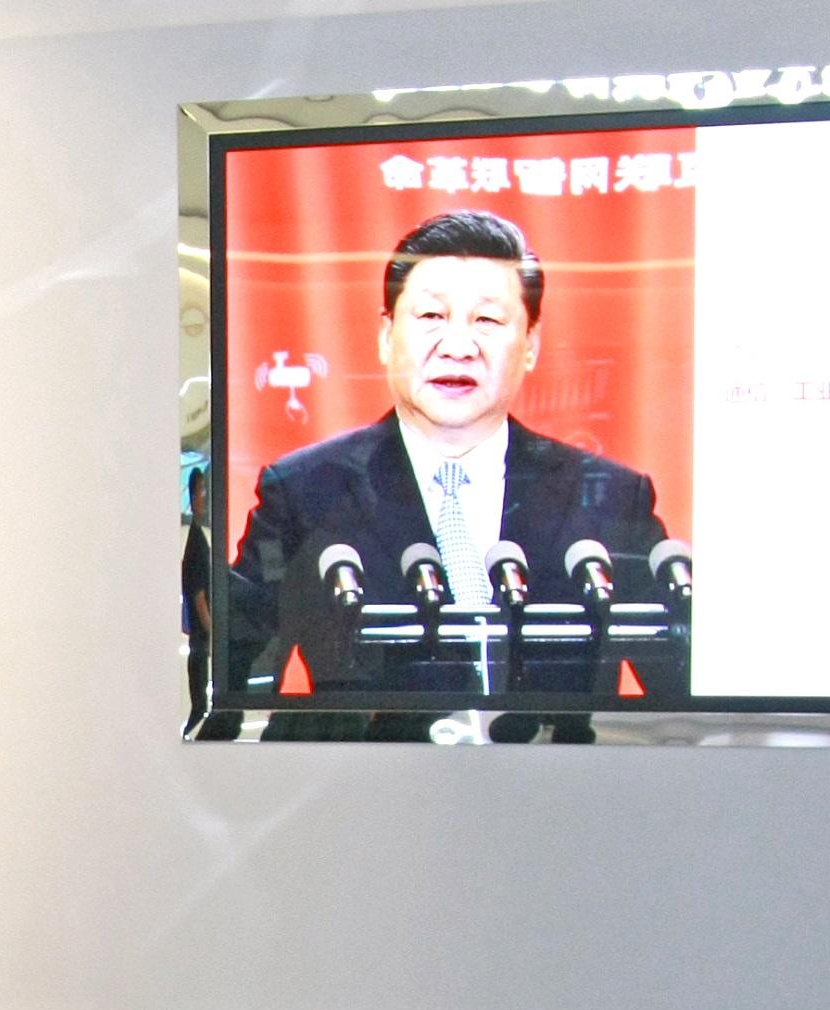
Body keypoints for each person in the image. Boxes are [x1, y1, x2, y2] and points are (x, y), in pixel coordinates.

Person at [231, 210, 673, 711]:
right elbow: (235, 675)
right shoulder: (305, 493)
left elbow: (686, 691)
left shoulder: (611, 498)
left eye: (487, 321)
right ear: (385, 336)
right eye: (430, 317)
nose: (458, 347)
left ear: (530, 344)